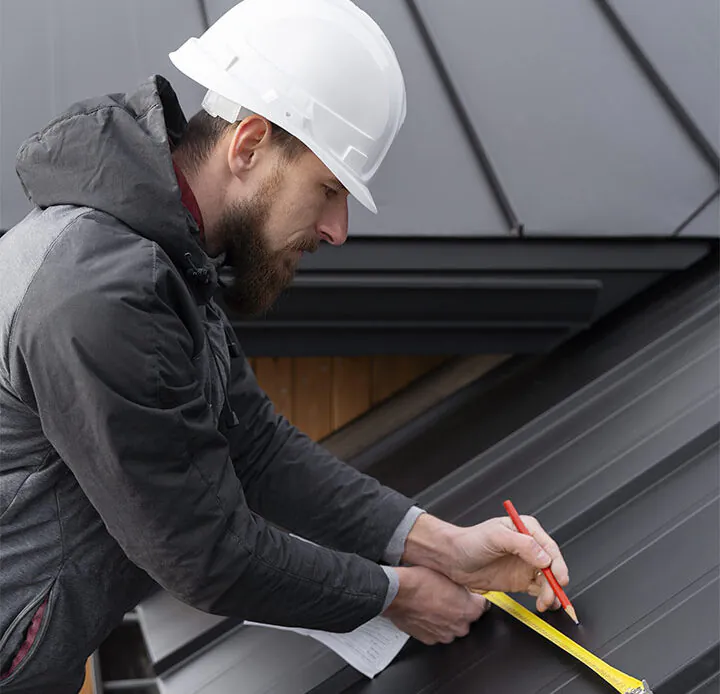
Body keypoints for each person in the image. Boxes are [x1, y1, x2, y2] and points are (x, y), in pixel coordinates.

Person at [0, 1, 570, 691]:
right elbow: (206, 555)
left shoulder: (164, 253)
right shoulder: (99, 294)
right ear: (248, 145)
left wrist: (446, 546)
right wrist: (398, 596)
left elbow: (257, 447)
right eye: (327, 188)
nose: (338, 229)